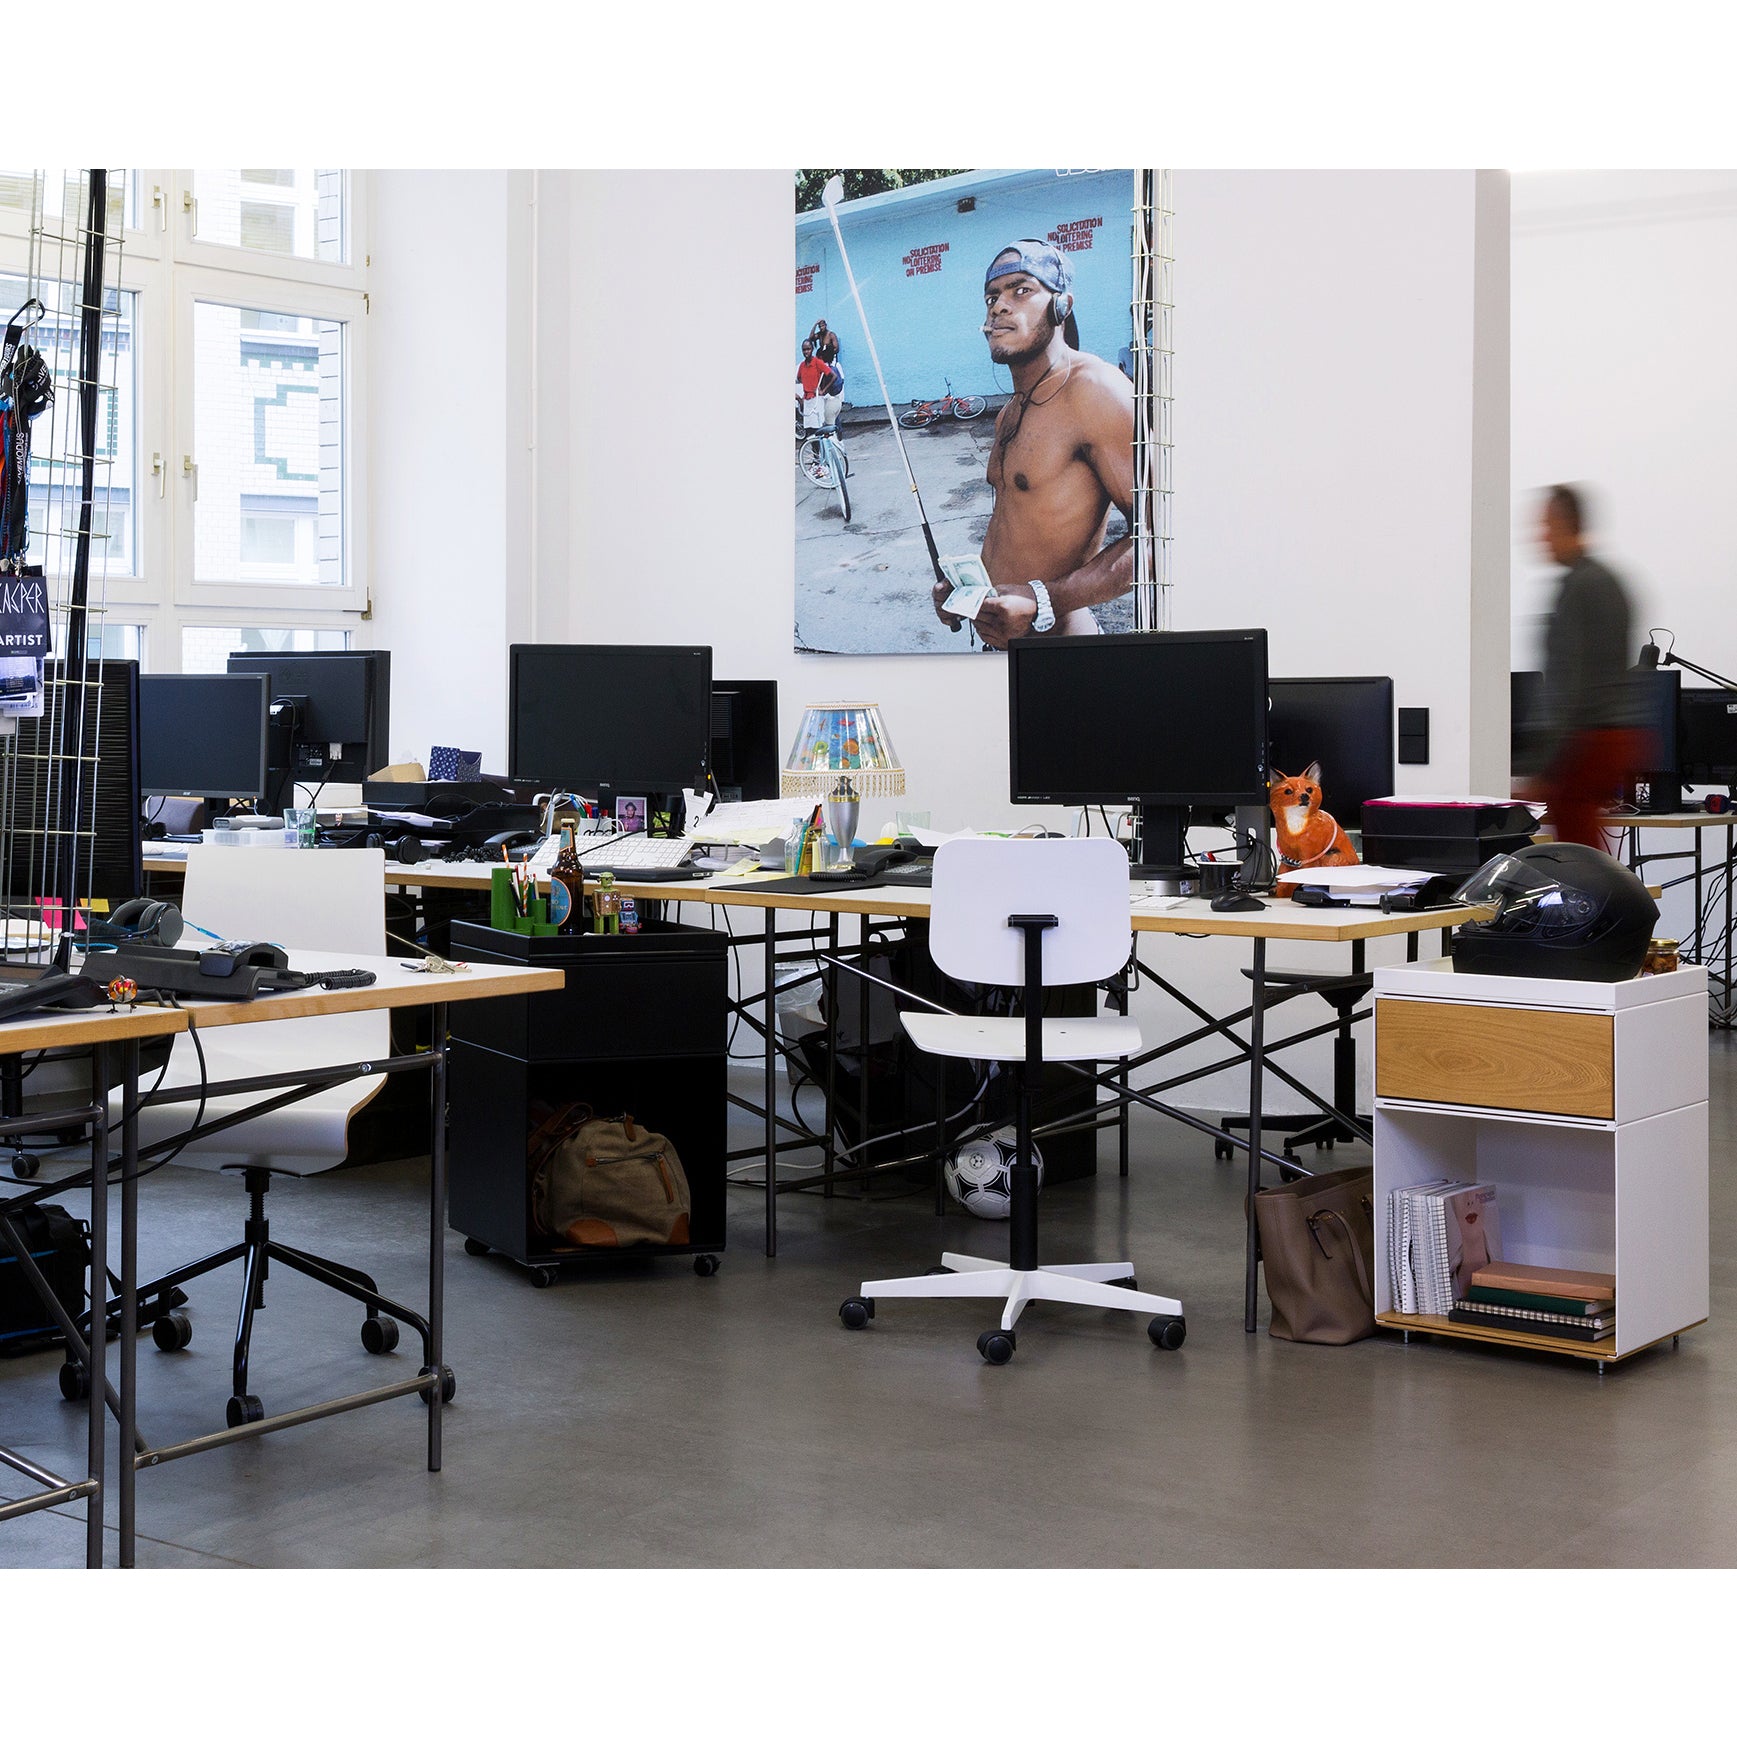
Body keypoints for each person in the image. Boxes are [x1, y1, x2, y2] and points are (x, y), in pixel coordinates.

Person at [930, 239, 1135, 646]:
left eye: (1021, 290)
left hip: (1062, 654)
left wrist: (1043, 600)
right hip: (1000, 646)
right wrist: (966, 591)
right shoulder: (1010, 411)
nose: (999, 307)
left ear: (1061, 306)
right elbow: (1020, 527)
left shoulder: (1095, 391)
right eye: (992, 297)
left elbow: (1161, 538)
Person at [1520, 484, 1647, 850]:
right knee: (1584, 844)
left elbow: (1568, 684)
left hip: (1586, 741)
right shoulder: (1609, 581)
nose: (1540, 537)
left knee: (1578, 851)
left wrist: (1544, 765)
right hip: (1614, 737)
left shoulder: (1579, 587)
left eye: (1545, 526)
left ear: (1566, 524)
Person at [794, 336, 839, 432]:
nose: (806, 352)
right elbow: (799, 378)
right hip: (807, 400)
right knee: (809, 429)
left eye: (808, 349)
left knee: (818, 428)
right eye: (804, 350)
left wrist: (823, 390)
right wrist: (808, 385)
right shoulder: (802, 365)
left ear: (812, 349)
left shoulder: (817, 362)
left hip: (817, 400)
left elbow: (834, 376)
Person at [807, 319, 844, 431]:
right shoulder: (820, 335)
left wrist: (827, 351)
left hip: (830, 361)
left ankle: (836, 430)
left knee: (832, 409)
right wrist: (814, 324)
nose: (821, 328)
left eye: (822, 325)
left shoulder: (831, 335)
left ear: (826, 325)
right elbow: (810, 337)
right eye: (820, 326)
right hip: (825, 364)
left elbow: (836, 348)